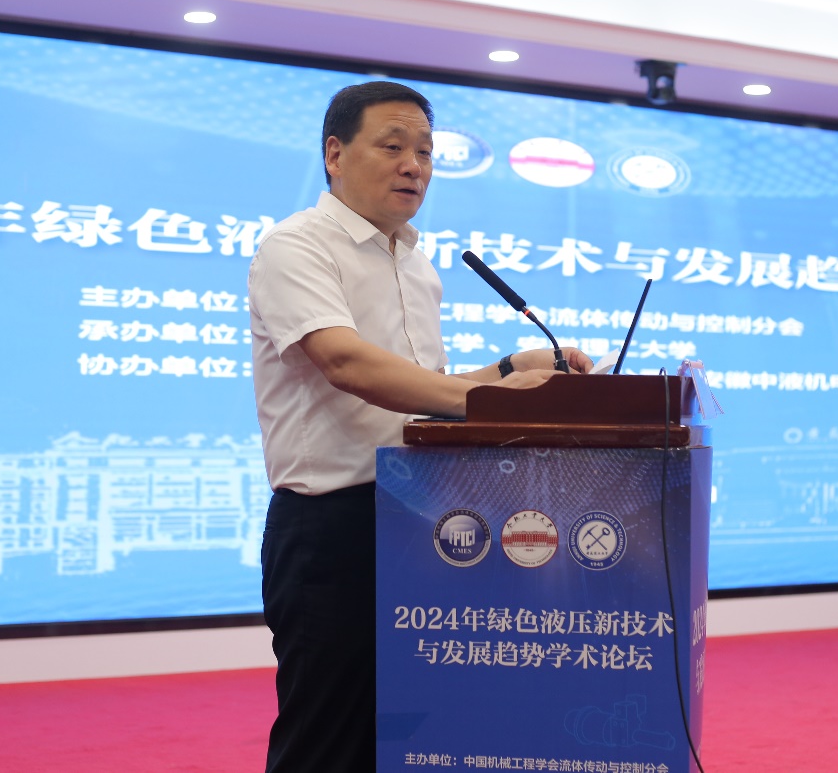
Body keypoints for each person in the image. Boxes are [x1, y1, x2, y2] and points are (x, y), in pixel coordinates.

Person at [249, 81, 593, 773]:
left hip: (420, 516)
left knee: (409, 734)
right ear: (334, 154)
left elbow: (418, 395)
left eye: (426, 152)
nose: (414, 165)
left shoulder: (413, 260)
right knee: (327, 739)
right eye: (393, 146)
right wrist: (493, 400)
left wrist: (510, 368)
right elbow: (346, 362)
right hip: (335, 526)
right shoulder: (296, 245)